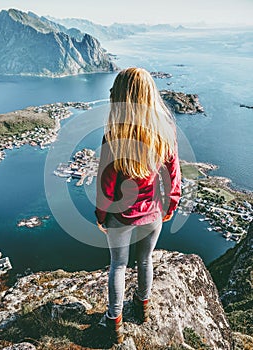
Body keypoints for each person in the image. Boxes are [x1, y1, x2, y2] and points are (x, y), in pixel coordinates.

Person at [95, 67, 181, 343]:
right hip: (153, 213)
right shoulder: (164, 132)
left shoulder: (114, 135)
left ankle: (114, 322)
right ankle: (143, 307)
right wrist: (170, 206)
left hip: (120, 216)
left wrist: (101, 216)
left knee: (118, 266)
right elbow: (173, 175)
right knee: (146, 260)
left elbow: (106, 185)